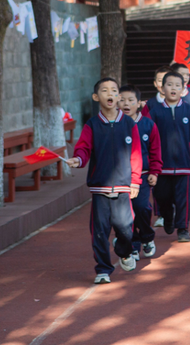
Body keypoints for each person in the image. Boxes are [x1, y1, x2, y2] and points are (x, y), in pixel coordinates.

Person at [66, 78, 142, 283]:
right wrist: (78, 160)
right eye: (105, 90)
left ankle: (124, 251)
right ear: (96, 97)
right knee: (99, 231)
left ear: (118, 96)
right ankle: (103, 269)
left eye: (114, 90)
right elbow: (83, 148)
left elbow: (136, 154)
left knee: (126, 228)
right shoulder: (92, 125)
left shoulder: (128, 124)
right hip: (100, 188)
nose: (110, 93)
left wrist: (135, 181)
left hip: (124, 187)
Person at [145, 70, 190, 242]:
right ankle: (167, 217)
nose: (173, 88)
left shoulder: (189, 111)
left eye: (177, 85)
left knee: (184, 200)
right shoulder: (154, 112)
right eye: (169, 85)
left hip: (185, 165)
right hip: (161, 167)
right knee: (162, 198)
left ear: (183, 89)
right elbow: (143, 135)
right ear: (162, 89)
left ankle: (183, 228)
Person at [119, 85, 161, 258]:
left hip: (143, 175)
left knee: (142, 207)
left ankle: (147, 237)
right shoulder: (115, 125)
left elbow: (155, 151)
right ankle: (134, 243)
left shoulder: (148, 125)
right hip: (121, 177)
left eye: (130, 100)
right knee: (125, 213)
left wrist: (154, 171)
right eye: (122, 100)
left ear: (140, 104)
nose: (126, 104)